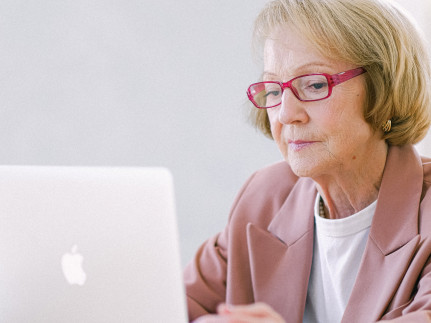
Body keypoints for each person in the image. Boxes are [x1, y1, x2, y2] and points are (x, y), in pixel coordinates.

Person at [183, 0, 431, 322]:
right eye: (274, 90)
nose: (285, 114)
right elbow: (169, 307)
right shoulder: (264, 199)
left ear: (383, 88)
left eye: (314, 84)